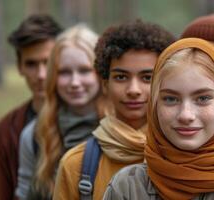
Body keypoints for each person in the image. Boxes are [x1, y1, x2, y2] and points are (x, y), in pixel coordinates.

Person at [103, 38, 214, 200]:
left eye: (203, 98)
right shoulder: (127, 187)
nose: (186, 115)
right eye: (170, 99)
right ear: (154, 104)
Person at [53, 20, 175, 200]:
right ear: (104, 85)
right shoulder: (76, 165)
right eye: (121, 77)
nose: (133, 89)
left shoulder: (185, 155)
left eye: (147, 77)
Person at [15, 24, 106, 200]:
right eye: (64, 72)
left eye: (84, 70)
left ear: (101, 72)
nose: (74, 82)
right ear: (52, 76)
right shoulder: (34, 134)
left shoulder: (123, 127)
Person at [0, 14, 62, 200]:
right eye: (31, 64)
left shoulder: (86, 116)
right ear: (19, 67)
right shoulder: (7, 129)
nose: (40, 75)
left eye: (47, 62)